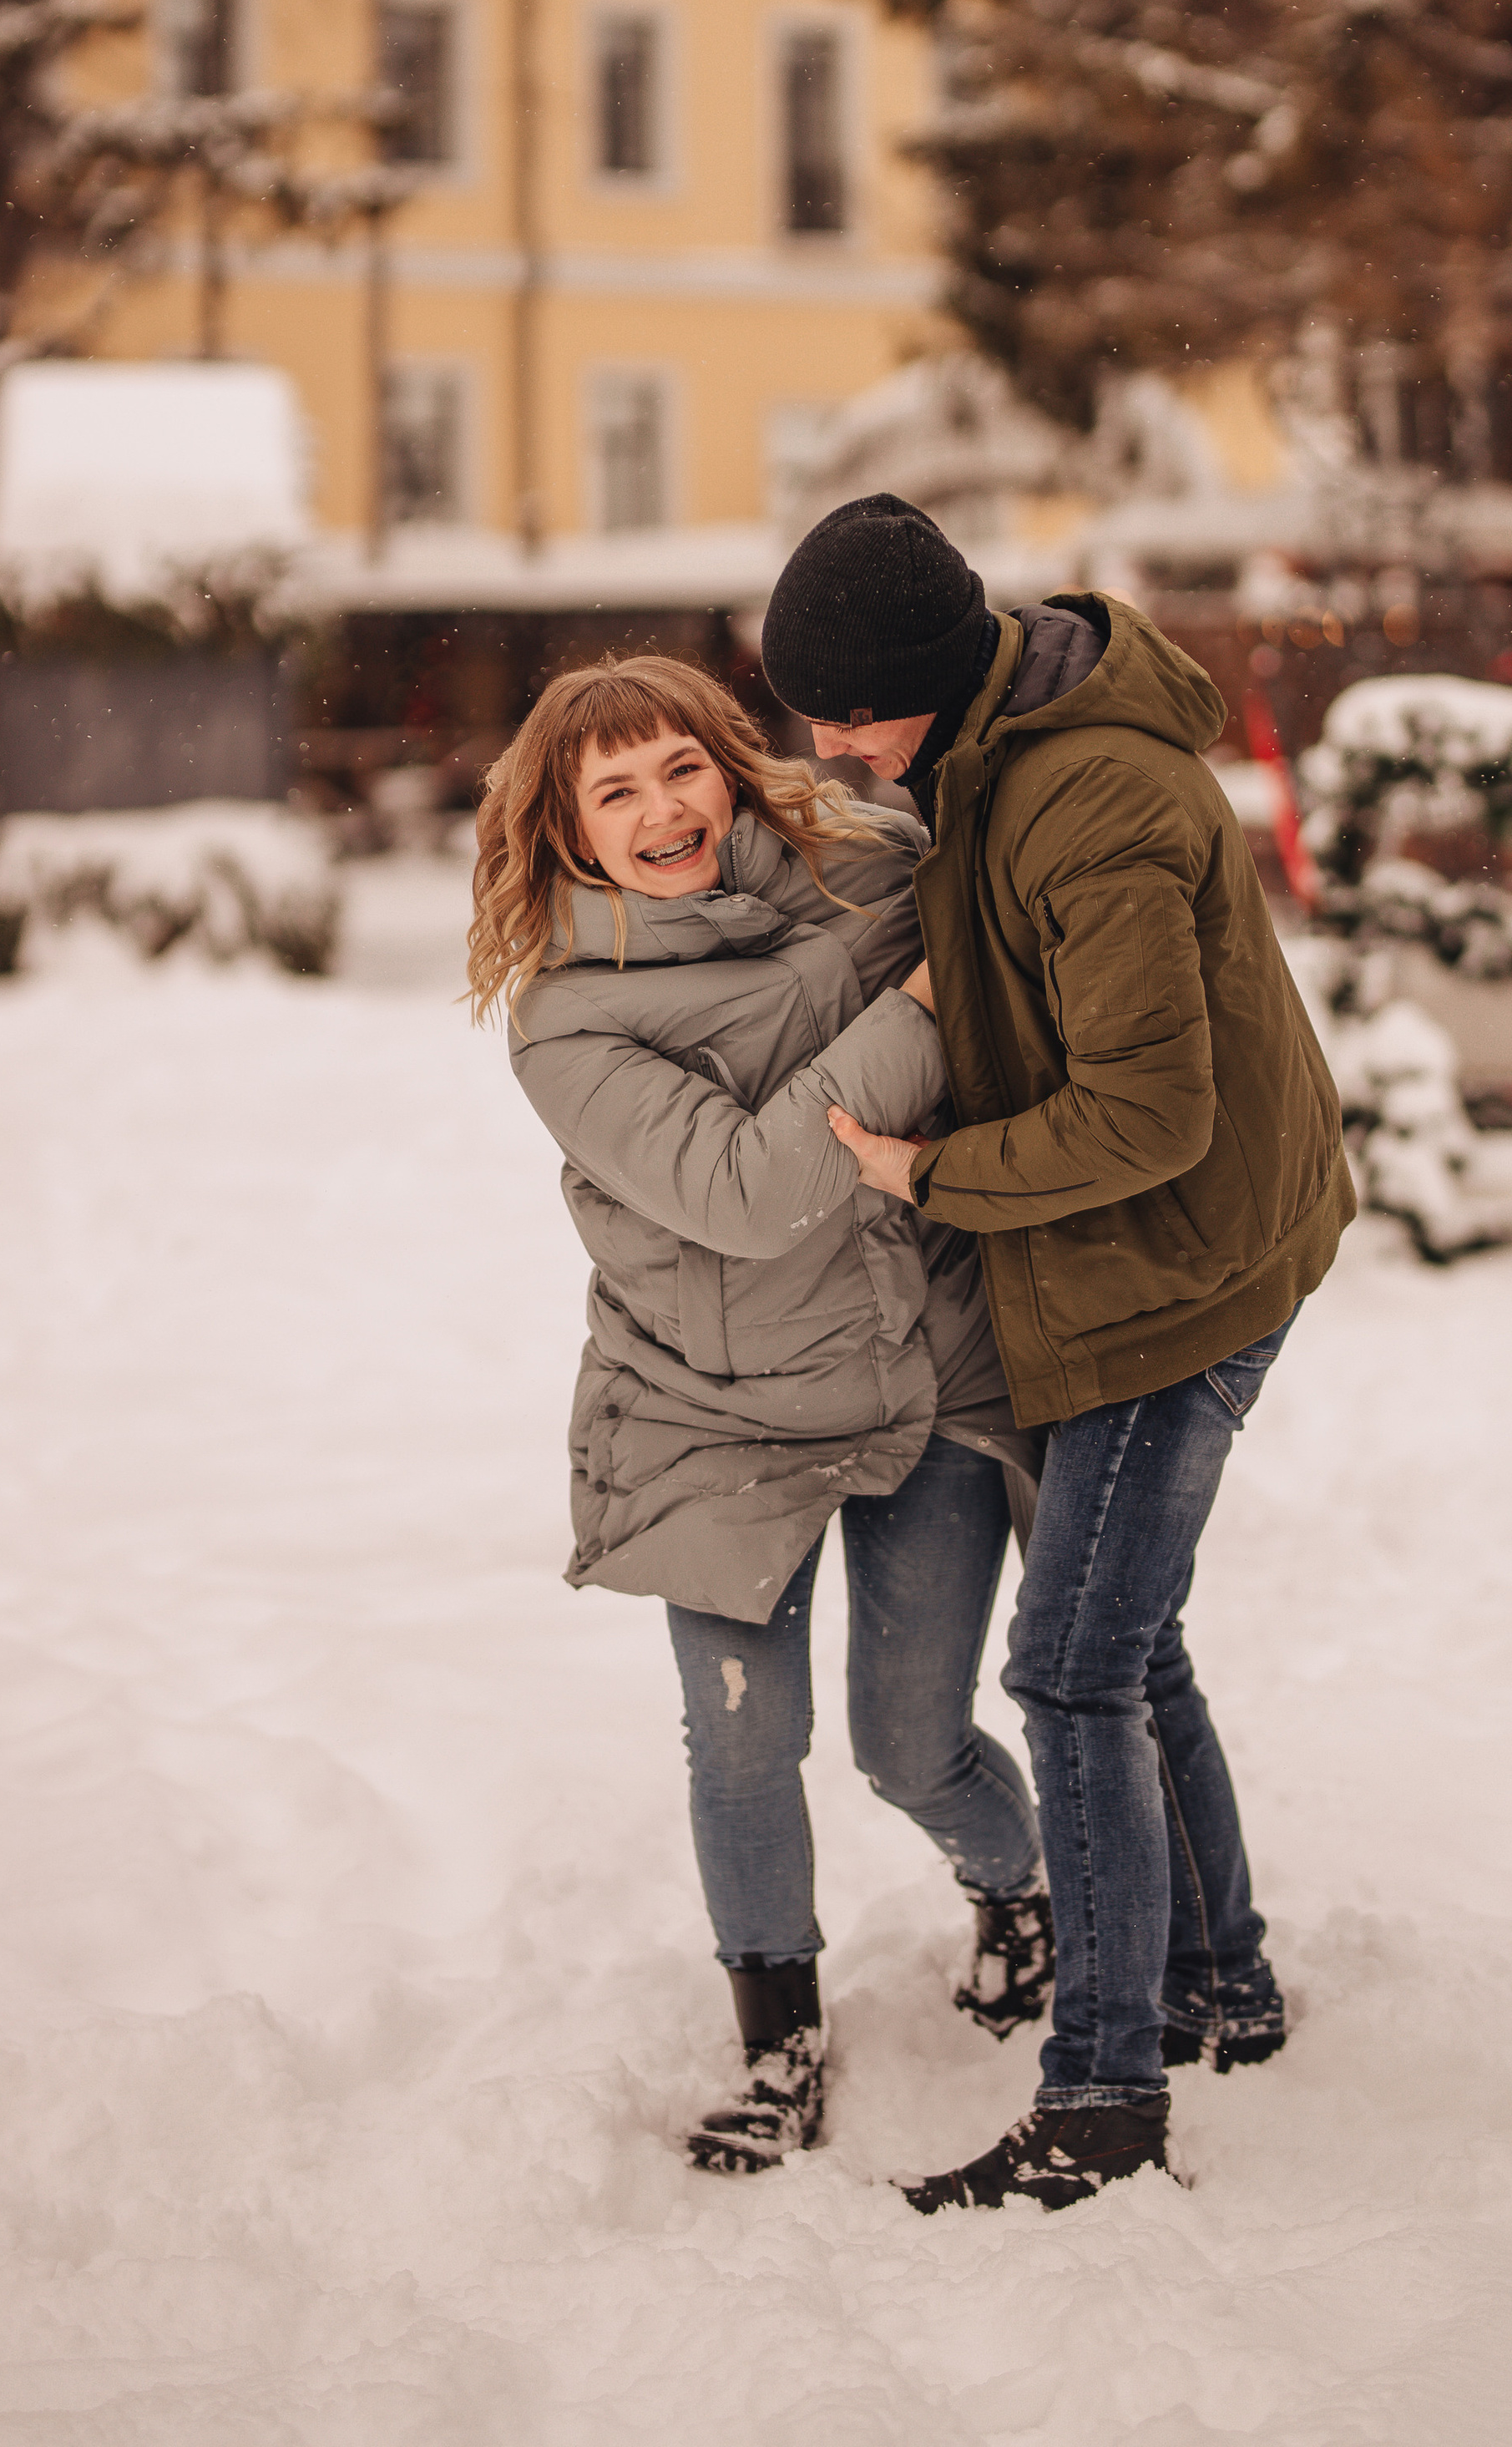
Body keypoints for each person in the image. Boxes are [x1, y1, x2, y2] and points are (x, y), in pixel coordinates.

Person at [758, 494, 1357, 2212]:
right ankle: (1218, 1982)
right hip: (1161, 1251)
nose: (831, 749)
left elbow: (1150, 1115)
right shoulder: (993, 748)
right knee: (1128, 1648)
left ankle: (1101, 2098)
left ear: (923, 680)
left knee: (1073, 1668)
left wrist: (930, 1173)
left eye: (845, 716)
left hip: (1184, 1273)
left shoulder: (1085, 798)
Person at [468, 653, 1052, 2176]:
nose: (661, 809)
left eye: (682, 767)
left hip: (920, 1363)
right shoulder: (566, 1021)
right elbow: (748, 1189)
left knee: (913, 1744)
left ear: (729, 767)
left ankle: (1022, 1900)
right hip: (706, 1406)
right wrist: (920, 1002)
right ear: (565, 829)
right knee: (743, 1741)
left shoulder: (873, 864)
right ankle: (778, 2045)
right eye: (614, 791)